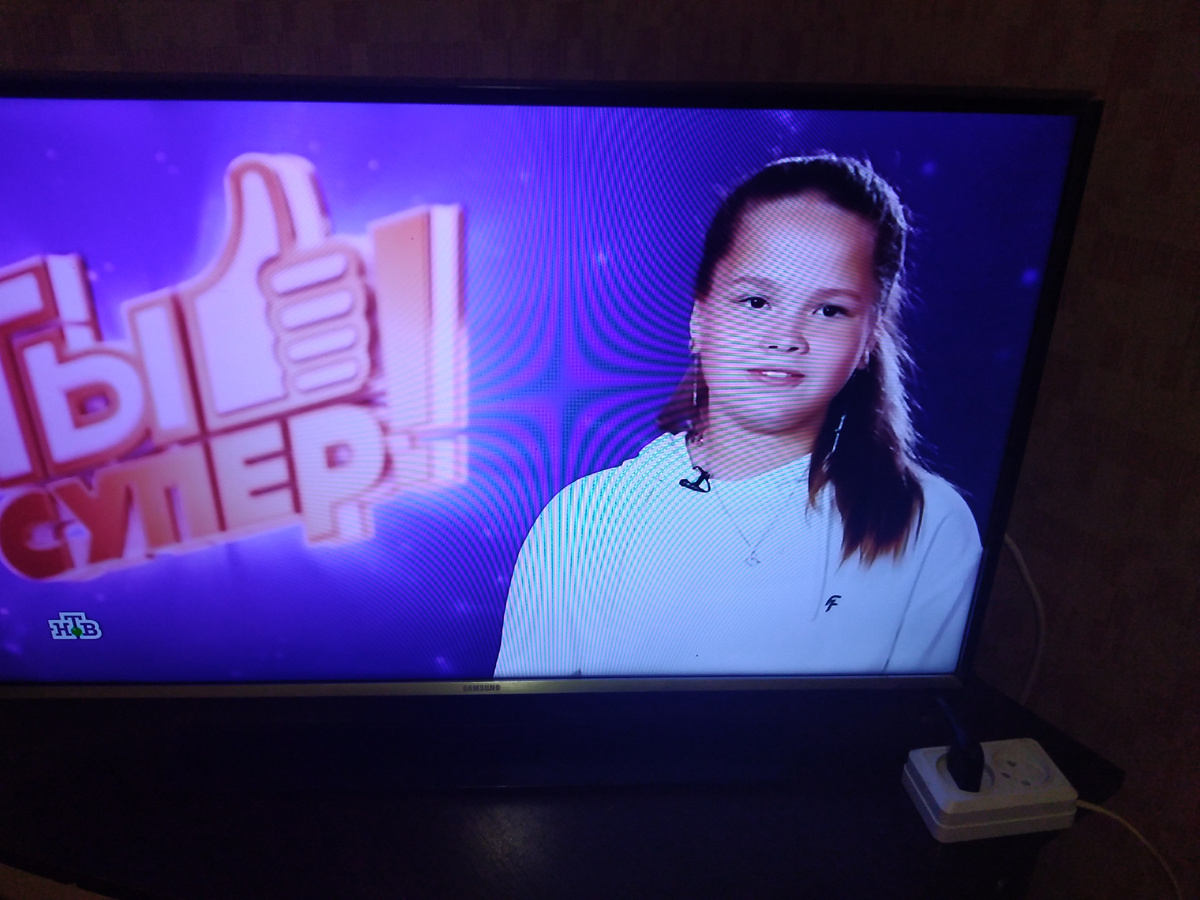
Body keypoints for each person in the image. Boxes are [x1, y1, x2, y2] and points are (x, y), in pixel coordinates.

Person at [494, 155, 981, 679]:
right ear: (699, 316)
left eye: (829, 310)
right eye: (755, 301)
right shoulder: (585, 519)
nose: (785, 338)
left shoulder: (928, 522)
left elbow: (917, 724)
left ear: (868, 338)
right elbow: (529, 724)